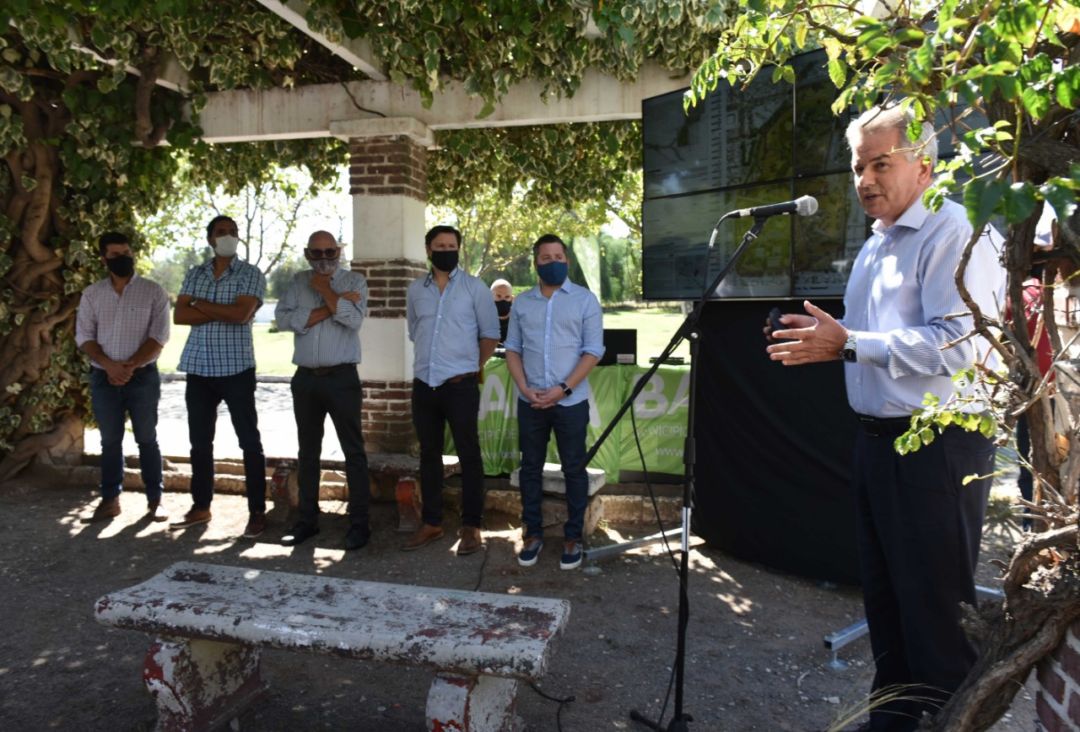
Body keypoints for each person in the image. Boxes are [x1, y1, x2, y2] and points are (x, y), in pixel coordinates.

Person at [765, 103, 1005, 731]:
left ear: (924, 164)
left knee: (936, 619)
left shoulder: (954, 230)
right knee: (889, 606)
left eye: (880, 163)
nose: (865, 180)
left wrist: (847, 343)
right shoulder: (877, 243)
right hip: (878, 444)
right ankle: (893, 721)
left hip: (939, 446)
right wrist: (835, 341)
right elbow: (870, 337)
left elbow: (962, 343)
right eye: (857, 167)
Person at [504, 234, 605, 570]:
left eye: (558, 256)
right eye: (545, 258)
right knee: (530, 468)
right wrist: (524, 386)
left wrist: (563, 388)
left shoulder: (585, 300)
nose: (552, 262)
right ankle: (532, 533)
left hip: (570, 402)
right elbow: (513, 349)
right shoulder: (522, 303)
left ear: (567, 260)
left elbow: (593, 351)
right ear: (536, 263)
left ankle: (573, 536)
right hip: (529, 399)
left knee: (574, 469)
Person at [403, 225, 500, 555]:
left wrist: (473, 365)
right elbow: (416, 331)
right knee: (429, 455)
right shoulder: (416, 290)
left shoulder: (475, 288)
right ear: (428, 250)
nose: (446, 249)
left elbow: (490, 335)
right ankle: (431, 522)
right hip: (424, 386)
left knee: (468, 455)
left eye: (452, 245)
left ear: (459, 249)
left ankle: (471, 526)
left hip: (461, 386)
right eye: (439, 245)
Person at [171, 215, 268, 538]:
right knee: (200, 443)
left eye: (232, 232)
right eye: (221, 232)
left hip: (236, 368)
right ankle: (201, 506)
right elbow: (181, 315)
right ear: (210, 239)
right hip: (199, 368)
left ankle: (257, 512)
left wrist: (200, 303)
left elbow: (241, 315)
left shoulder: (250, 274)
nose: (228, 236)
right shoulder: (195, 273)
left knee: (249, 442)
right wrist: (217, 308)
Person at [275, 231, 372, 550]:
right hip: (305, 379)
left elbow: (354, 322)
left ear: (339, 250)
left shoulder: (355, 281)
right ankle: (307, 521)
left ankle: (359, 525)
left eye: (330, 251)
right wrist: (334, 304)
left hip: (342, 377)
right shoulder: (298, 281)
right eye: (316, 253)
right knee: (308, 452)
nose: (324, 258)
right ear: (307, 254)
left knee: (353, 452)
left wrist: (327, 291)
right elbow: (284, 320)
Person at [76, 232, 171, 522]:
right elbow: (85, 338)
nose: (123, 258)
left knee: (146, 438)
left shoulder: (153, 291)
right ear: (104, 259)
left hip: (142, 377)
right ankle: (110, 501)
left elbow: (159, 337)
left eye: (127, 252)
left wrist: (129, 367)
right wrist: (110, 365)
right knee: (110, 441)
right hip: (104, 378)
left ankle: (155, 501)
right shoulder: (92, 294)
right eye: (116, 255)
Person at [490, 278, 515, 345]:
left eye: (507, 297)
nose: (503, 300)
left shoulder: (519, 323)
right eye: (498, 296)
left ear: (512, 299)